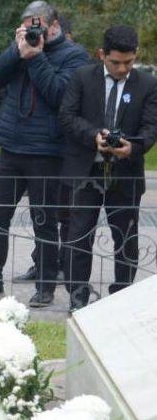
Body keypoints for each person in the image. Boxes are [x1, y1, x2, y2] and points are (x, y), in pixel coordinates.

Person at [0, 0, 91, 306]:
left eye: (38, 25)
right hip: (11, 146)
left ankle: (45, 285)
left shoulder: (74, 56)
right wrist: (17, 51)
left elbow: (60, 95)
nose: (33, 31)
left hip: (47, 150)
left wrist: (36, 58)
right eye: (27, 25)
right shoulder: (20, 48)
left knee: (43, 219)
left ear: (54, 25)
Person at [59, 25, 157, 310]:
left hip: (125, 175)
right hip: (85, 171)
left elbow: (151, 127)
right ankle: (78, 299)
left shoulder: (148, 84)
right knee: (78, 236)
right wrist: (94, 136)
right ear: (101, 54)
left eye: (129, 62)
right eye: (116, 62)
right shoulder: (81, 77)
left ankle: (122, 299)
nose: (123, 68)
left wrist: (134, 148)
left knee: (126, 239)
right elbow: (66, 117)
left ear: (135, 55)